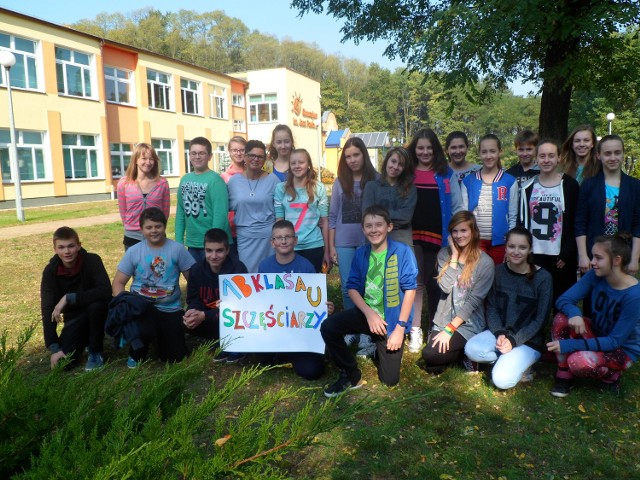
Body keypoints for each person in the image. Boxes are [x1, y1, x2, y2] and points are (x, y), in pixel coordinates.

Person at [321, 205, 418, 396]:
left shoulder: (402, 251)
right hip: (368, 315)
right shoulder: (361, 253)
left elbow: (410, 291)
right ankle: (350, 373)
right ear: (363, 230)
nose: (374, 230)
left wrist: (400, 328)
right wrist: (369, 313)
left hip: (390, 321)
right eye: (369, 226)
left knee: (389, 380)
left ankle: (377, 347)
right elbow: (352, 288)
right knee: (329, 327)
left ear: (389, 227)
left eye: (379, 225)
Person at [548, 233, 640, 397]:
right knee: (562, 317)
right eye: (592, 257)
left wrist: (568, 345)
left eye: (598, 258)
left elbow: (614, 341)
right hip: (597, 334)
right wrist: (575, 313)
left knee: (578, 362)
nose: (592, 262)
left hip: (621, 350)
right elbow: (564, 300)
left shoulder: (634, 296)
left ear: (617, 260)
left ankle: (611, 376)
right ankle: (564, 373)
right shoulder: (596, 275)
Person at [464, 227, 553, 388]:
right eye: (512, 246)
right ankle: (507, 357)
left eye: (522, 247)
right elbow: (492, 308)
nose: (516, 251)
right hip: (501, 333)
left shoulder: (543, 278)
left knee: (501, 380)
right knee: (471, 349)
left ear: (530, 249)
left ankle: (522, 364)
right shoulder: (498, 271)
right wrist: (499, 333)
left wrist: (514, 340)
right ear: (505, 247)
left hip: (527, 340)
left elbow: (540, 320)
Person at [111, 207, 196, 366]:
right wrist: (123, 305)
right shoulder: (134, 251)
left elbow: (193, 280)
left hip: (170, 308)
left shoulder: (177, 249)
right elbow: (118, 282)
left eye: (158, 226)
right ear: (141, 229)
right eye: (149, 227)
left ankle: (160, 339)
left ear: (164, 227)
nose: (154, 231)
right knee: (139, 353)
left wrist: (193, 305)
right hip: (140, 308)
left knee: (175, 357)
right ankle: (136, 346)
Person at [408, 128, 463, 353]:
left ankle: (433, 327)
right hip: (410, 237)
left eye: (429, 148)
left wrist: (456, 236)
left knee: (434, 284)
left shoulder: (446, 173)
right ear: (414, 149)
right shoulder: (407, 172)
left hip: (438, 238)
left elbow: (458, 206)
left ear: (436, 149)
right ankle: (414, 329)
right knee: (415, 283)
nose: (424, 152)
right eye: (420, 148)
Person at [422, 211, 494, 372]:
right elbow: (445, 287)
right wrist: (454, 257)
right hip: (444, 318)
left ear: (473, 232)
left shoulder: (485, 263)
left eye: (464, 230)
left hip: (467, 322)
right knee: (431, 363)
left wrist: (450, 330)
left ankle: (469, 352)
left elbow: (473, 302)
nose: (459, 235)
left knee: (432, 355)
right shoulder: (444, 254)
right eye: (455, 231)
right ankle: (464, 354)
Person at [257, 220, 328, 380]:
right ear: (272, 242)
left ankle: (292, 355)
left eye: (287, 237)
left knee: (312, 371)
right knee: (261, 356)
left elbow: (314, 299)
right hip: (275, 326)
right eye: (279, 237)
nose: (283, 241)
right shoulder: (265, 266)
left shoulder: (306, 266)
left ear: (295, 240)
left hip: (300, 330)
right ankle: (279, 353)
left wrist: (324, 308)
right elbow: (258, 299)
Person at [328, 137, 378, 356]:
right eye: (347, 156)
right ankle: (351, 327)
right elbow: (332, 216)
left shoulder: (376, 180)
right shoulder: (339, 182)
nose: (352, 160)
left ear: (364, 155)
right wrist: (331, 246)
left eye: (356, 155)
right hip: (344, 241)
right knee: (349, 286)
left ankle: (368, 330)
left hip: (370, 241)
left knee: (369, 286)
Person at [41, 227, 111, 370]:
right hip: (74, 318)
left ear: (79, 245)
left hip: (97, 312)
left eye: (71, 246)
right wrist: (54, 347)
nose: (67, 251)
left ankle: (95, 350)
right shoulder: (50, 271)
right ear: (55, 249)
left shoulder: (92, 260)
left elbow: (105, 291)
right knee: (64, 364)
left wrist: (70, 297)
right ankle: (84, 339)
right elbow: (47, 308)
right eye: (61, 247)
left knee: (96, 306)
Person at [519, 139, 579, 306]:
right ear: (536, 159)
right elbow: (522, 221)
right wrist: (526, 251)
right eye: (542, 156)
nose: (546, 160)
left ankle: (560, 331)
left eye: (551, 156)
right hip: (536, 253)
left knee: (561, 300)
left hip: (560, 256)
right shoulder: (527, 187)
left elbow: (576, 220)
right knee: (534, 300)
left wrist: (567, 252)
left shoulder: (569, 185)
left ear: (559, 158)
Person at [575, 135, 640, 277]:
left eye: (617, 152)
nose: (613, 157)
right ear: (599, 155)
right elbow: (580, 223)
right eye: (607, 153)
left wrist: (635, 259)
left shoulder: (635, 186)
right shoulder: (589, 185)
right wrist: (583, 256)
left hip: (624, 256)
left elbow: (638, 226)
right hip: (594, 256)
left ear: (623, 154)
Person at [184, 228, 248, 362]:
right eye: (209, 251)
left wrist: (205, 316)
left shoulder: (238, 269)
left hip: (230, 318)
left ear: (227, 250)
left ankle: (233, 346)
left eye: (219, 250)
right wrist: (193, 311)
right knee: (182, 320)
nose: (213, 256)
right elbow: (193, 298)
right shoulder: (196, 270)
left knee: (236, 319)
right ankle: (218, 341)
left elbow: (242, 306)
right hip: (208, 315)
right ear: (204, 250)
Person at [461, 133, 518, 265]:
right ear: (479, 153)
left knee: (498, 277)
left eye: (492, 151)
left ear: (500, 152)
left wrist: (510, 242)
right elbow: (464, 214)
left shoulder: (509, 181)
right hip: (476, 240)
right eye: (484, 152)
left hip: (500, 241)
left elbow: (512, 215)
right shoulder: (468, 181)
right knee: (478, 276)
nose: (488, 156)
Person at [175, 137, 231, 263]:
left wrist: (213, 245)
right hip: (192, 243)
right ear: (189, 155)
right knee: (196, 281)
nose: (197, 157)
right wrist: (179, 241)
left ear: (210, 156)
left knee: (213, 281)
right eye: (193, 153)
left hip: (214, 246)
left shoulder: (215, 181)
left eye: (202, 153)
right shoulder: (185, 180)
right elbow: (180, 212)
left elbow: (220, 215)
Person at [228, 140, 280, 272]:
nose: (255, 159)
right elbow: (225, 207)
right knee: (247, 273)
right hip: (245, 237)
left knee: (269, 273)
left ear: (264, 159)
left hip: (268, 237)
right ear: (245, 157)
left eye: (260, 156)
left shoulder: (273, 180)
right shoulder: (234, 182)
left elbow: (281, 209)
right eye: (252, 155)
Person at [274, 148, 330, 272]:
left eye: (301, 162)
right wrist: (279, 247)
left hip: (314, 245)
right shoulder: (280, 189)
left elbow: (325, 221)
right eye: (293, 163)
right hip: (289, 246)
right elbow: (279, 222)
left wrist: (327, 250)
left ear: (308, 164)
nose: (297, 166)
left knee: (312, 287)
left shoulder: (318, 188)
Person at [116, 143, 170, 250]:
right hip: (132, 236)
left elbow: (165, 213)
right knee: (134, 267)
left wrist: (158, 229)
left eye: (151, 159)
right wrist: (132, 227)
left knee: (157, 266)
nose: (148, 162)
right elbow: (123, 212)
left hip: (156, 235)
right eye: (144, 158)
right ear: (136, 160)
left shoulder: (162, 183)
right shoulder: (124, 183)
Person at [362, 146, 417, 246]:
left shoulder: (410, 189)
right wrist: (393, 218)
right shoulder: (371, 187)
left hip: (402, 239)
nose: (395, 167)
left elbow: (406, 217)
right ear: (387, 161)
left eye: (401, 164)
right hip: (376, 238)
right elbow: (367, 215)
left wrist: (379, 215)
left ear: (405, 168)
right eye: (393, 161)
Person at [221, 136, 247, 258]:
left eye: (242, 150)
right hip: (231, 229)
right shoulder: (224, 177)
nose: (238, 153)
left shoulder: (253, 173)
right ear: (230, 152)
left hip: (249, 227)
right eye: (235, 150)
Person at [506, 130, 540, 206]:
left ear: (536, 149)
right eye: (521, 150)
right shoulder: (509, 174)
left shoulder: (541, 172)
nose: (525, 153)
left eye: (529, 149)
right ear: (516, 150)